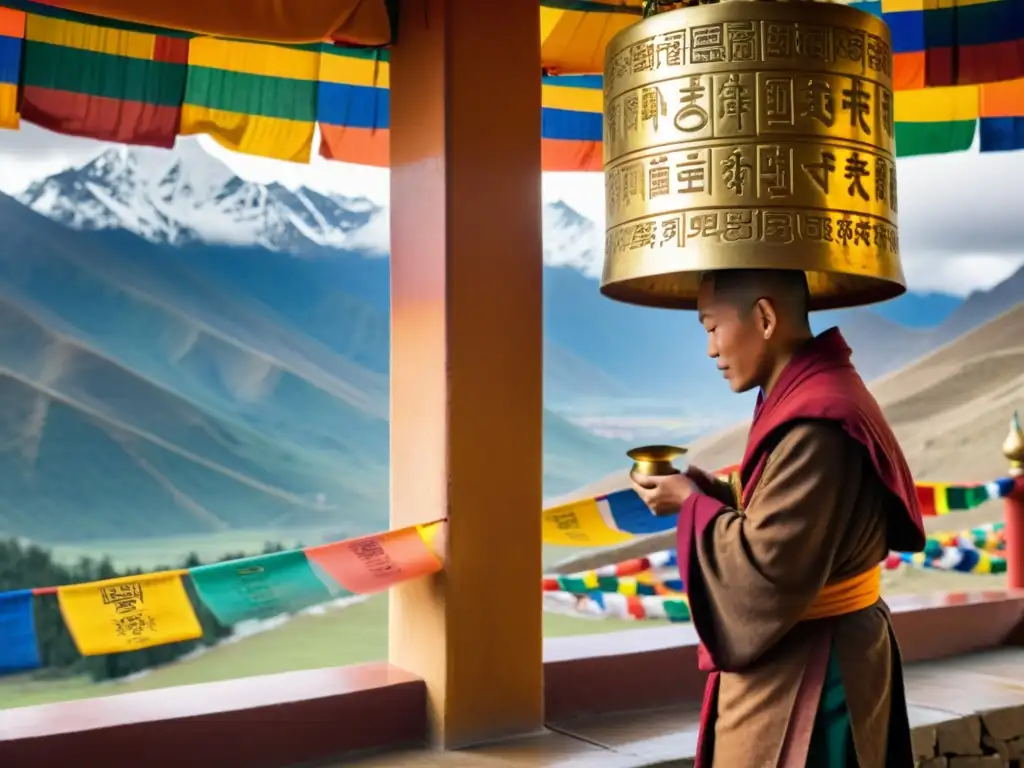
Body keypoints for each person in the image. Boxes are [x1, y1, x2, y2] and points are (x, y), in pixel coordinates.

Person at [631, 269, 926, 768]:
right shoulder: (804, 394)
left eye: (711, 328)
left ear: (765, 318)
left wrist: (690, 506)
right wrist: (711, 494)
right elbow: (789, 513)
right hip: (826, 649)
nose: (710, 350)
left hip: (819, 670)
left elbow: (768, 566)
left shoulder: (817, 419)